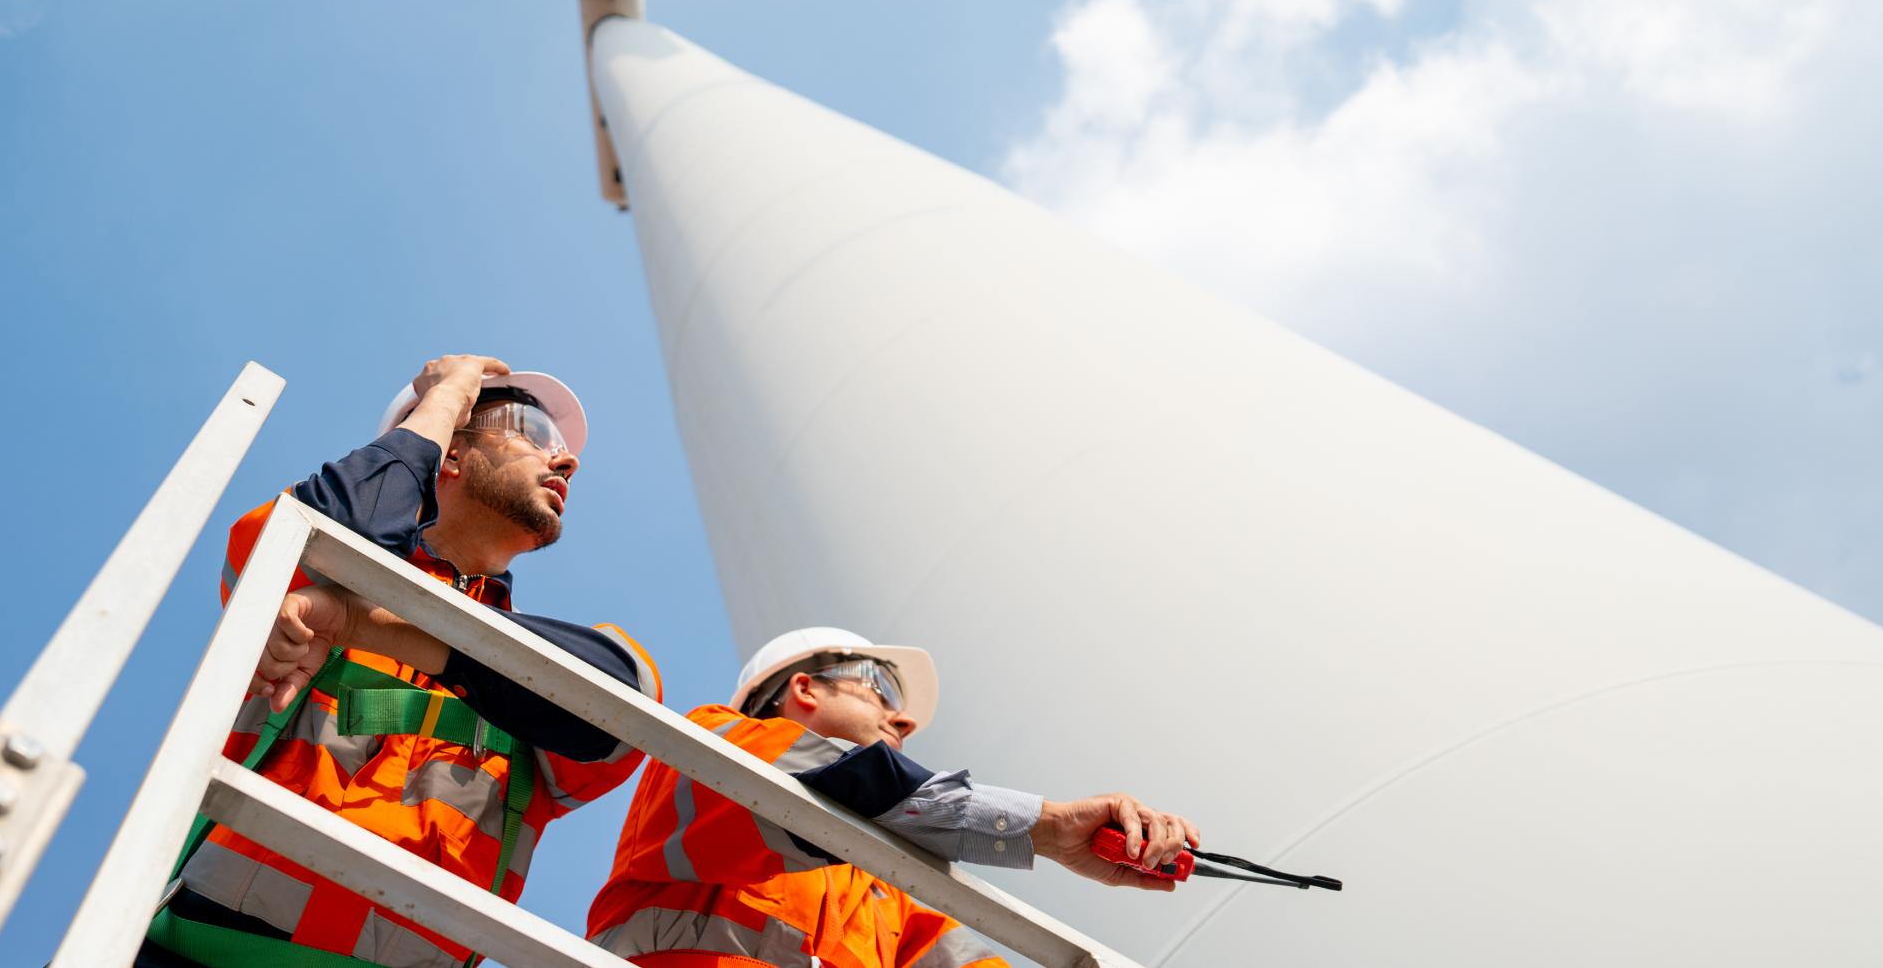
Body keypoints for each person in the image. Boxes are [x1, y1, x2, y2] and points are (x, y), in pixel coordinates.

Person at [139, 354, 664, 968]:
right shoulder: (307, 561)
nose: (565, 459)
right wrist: (445, 398)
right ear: (449, 454)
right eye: (534, 432)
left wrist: (365, 623)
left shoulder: (536, 666)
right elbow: (328, 529)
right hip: (191, 954)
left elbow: (617, 708)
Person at [586, 627, 1198, 968]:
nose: (902, 720)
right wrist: (1046, 827)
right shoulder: (713, 741)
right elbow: (842, 779)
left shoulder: (882, 891)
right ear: (803, 688)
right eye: (880, 686)